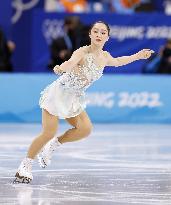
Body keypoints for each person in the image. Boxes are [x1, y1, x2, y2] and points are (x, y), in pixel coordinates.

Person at [13, 21, 154, 184]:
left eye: (103, 32)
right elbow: (71, 62)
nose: (99, 35)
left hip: (74, 97)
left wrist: (137, 56)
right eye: (96, 31)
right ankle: (25, 166)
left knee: (85, 129)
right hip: (59, 94)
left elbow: (118, 61)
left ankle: (54, 144)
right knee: (48, 132)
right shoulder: (82, 51)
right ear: (90, 35)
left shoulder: (105, 57)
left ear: (107, 37)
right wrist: (61, 68)